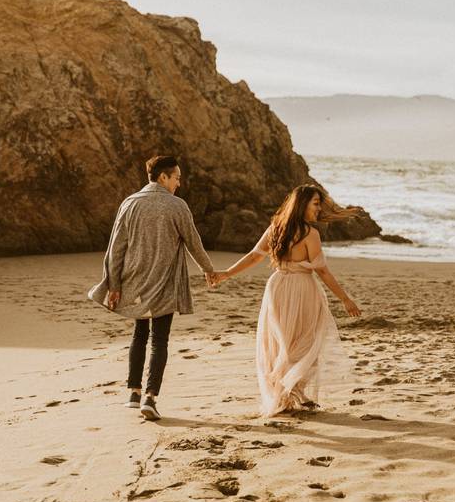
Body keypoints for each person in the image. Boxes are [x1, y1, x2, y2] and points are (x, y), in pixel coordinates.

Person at [88, 155, 217, 420]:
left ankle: (134, 393)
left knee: (139, 334)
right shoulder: (177, 206)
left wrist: (114, 284)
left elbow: (116, 248)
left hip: (134, 281)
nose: (179, 183)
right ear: (163, 177)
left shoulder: (130, 203)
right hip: (164, 283)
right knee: (160, 340)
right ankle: (150, 397)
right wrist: (209, 270)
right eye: (177, 178)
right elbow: (194, 243)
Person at [215, 185, 362, 417]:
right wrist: (345, 299)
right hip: (302, 288)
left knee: (284, 341)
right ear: (302, 204)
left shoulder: (276, 227)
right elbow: (322, 271)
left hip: (277, 287)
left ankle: (291, 393)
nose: (318, 208)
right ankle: (291, 391)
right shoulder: (310, 234)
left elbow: (254, 256)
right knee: (307, 340)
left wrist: (226, 273)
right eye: (315, 203)